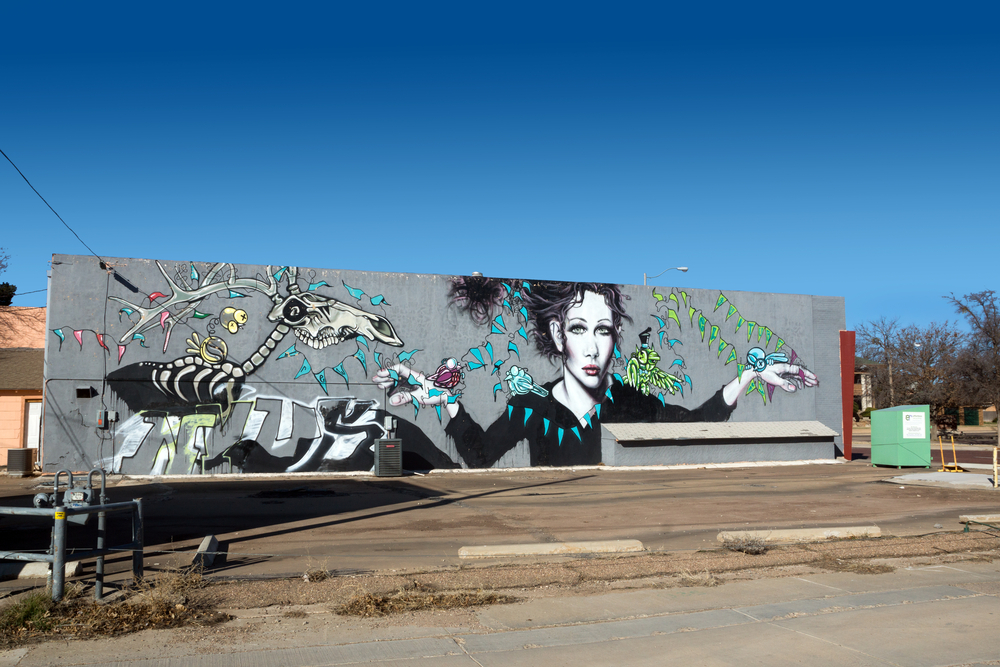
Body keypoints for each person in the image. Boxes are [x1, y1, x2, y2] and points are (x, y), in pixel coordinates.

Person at [373, 281, 817, 467]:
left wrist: (748, 377)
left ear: (615, 336)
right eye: (578, 328)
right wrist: (449, 402)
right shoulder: (530, 406)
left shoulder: (633, 404)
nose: (591, 346)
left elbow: (698, 425)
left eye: (603, 330)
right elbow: (480, 456)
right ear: (557, 332)